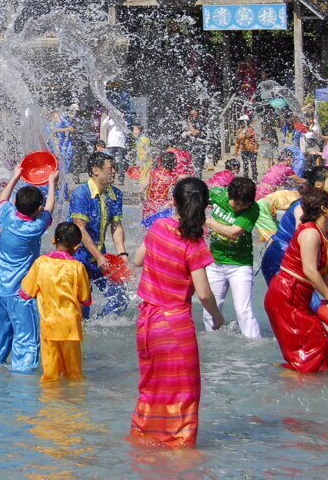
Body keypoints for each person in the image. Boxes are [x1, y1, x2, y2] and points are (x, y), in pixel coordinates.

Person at [129, 177, 223, 447]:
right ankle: (180, 456)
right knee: (184, 393)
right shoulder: (194, 245)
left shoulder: (158, 226)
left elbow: (138, 259)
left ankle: (144, 442)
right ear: (205, 207)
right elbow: (204, 293)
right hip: (174, 326)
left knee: (151, 388)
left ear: (174, 203)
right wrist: (216, 316)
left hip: (147, 323)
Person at [263, 188, 328, 373]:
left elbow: (327, 270)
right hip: (287, 296)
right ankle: (287, 393)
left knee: (324, 349)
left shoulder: (322, 233)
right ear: (324, 208)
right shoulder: (310, 232)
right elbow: (310, 271)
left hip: (297, 297)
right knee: (309, 356)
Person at [0, 166, 56, 373]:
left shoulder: (6, 216)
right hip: (20, 293)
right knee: (27, 338)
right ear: (38, 209)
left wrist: (15, 176)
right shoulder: (33, 228)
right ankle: (23, 381)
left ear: (15, 204)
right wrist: (52, 183)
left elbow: (2, 200)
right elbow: (50, 209)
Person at [20, 222, 91, 382]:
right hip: (71, 328)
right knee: (74, 376)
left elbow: (25, 293)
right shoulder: (77, 267)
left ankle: (50, 406)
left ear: (53, 240)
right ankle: (74, 405)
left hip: (49, 328)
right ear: (77, 246)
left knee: (49, 377)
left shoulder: (41, 263)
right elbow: (86, 300)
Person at [70, 152, 127, 317]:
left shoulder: (115, 194)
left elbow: (116, 226)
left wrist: (122, 253)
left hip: (100, 257)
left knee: (119, 297)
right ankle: (85, 332)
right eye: (110, 168)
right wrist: (98, 256)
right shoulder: (82, 193)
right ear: (95, 170)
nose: (114, 171)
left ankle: (100, 323)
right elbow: (80, 228)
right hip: (78, 256)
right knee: (81, 306)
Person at [202, 176, 261, 337]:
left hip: (240, 266)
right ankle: (212, 343)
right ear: (229, 196)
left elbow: (233, 232)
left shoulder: (253, 209)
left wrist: (206, 220)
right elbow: (196, 196)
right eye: (237, 203)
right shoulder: (217, 195)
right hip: (215, 263)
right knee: (210, 308)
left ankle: (254, 347)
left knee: (243, 310)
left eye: (244, 204)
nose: (240, 208)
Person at [180, 108, 208, 174]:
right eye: (192, 112)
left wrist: (189, 123)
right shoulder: (189, 120)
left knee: (198, 169)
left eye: (196, 111)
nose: (194, 113)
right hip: (190, 146)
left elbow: (195, 132)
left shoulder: (202, 120)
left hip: (199, 146)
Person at [234, 116, 258, 180]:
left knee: (253, 165)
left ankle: (254, 178)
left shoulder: (251, 130)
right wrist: (236, 150)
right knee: (245, 165)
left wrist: (256, 148)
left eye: (243, 122)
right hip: (244, 150)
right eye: (241, 122)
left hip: (252, 150)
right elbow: (237, 141)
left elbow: (255, 140)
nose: (242, 123)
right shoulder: (239, 131)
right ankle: (245, 178)